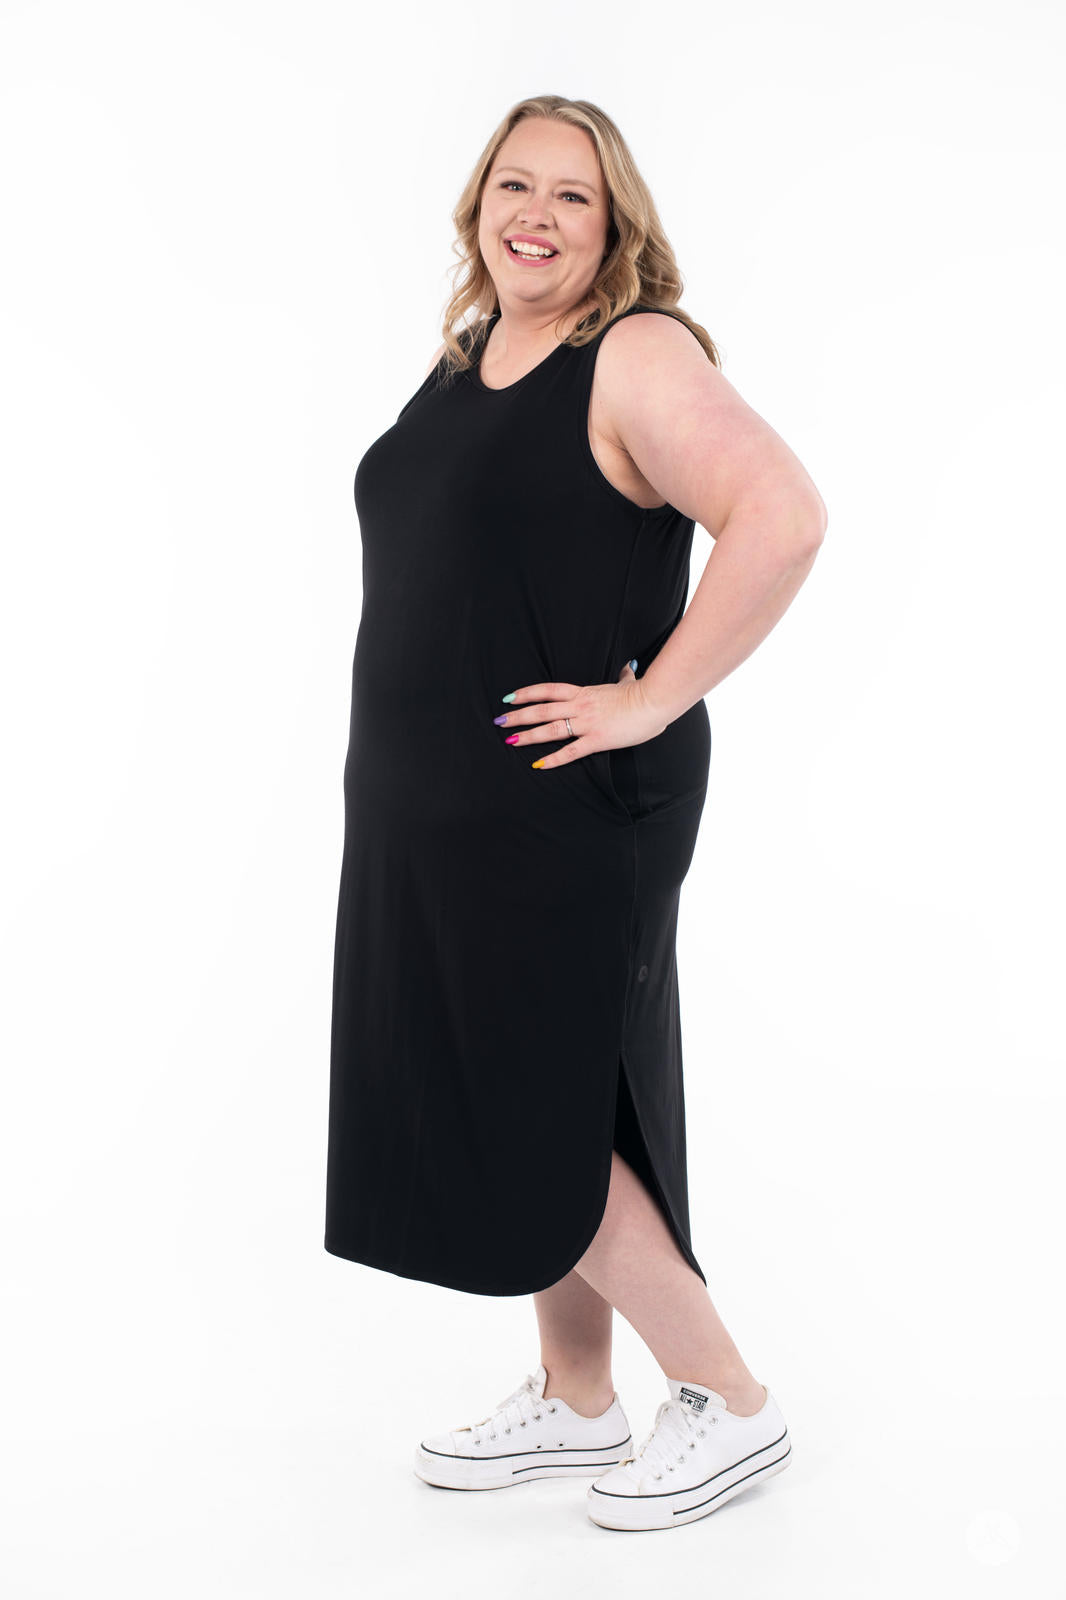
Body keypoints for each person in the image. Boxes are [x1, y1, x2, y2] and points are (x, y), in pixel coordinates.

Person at [325, 94, 827, 1534]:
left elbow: (781, 514)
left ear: (617, 228)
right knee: (552, 1080)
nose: (535, 215)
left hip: (563, 803)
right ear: (477, 202)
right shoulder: (473, 353)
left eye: (573, 196)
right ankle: (576, 1395)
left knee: (526, 1095)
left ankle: (730, 1401)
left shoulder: (635, 352)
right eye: (514, 185)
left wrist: (650, 698)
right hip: (439, 806)